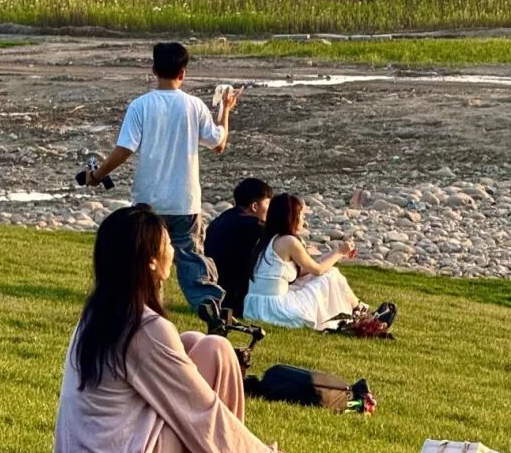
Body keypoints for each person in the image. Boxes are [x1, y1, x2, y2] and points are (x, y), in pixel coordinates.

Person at [54, 204, 286, 453]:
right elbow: (201, 408)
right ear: (151, 261)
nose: (174, 251)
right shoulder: (144, 328)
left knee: (192, 341)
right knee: (217, 350)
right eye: (168, 244)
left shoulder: (99, 314)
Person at [84, 42, 236, 314]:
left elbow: (124, 149)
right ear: (183, 73)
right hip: (184, 200)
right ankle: (209, 305)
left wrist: (97, 175)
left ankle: (148, 307)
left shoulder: (140, 106)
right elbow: (219, 143)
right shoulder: (194, 106)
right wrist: (225, 109)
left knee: (146, 257)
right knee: (191, 258)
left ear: (154, 70)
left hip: (148, 199)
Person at [242, 192, 362, 331]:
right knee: (332, 274)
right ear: (291, 216)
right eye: (301, 214)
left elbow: (309, 268)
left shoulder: (267, 239)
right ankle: (359, 310)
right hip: (275, 308)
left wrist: (338, 254)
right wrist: (340, 252)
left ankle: (358, 309)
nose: (304, 218)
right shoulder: (289, 241)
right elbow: (318, 270)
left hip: (255, 306)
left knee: (322, 274)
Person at [204, 177, 274, 318]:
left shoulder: (221, 220)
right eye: (268, 204)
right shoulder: (254, 227)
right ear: (254, 206)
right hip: (237, 299)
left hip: (216, 291)